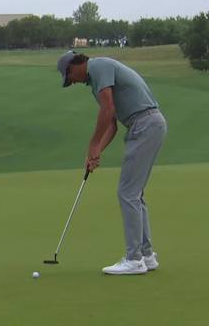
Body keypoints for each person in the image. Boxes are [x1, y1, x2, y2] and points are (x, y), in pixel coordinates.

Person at [57, 50, 167, 275]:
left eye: (70, 77)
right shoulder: (96, 80)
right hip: (146, 125)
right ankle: (146, 255)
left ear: (74, 65)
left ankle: (134, 259)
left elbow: (108, 109)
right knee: (134, 193)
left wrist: (93, 143)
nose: (73, 82)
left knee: (127, 193)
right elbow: (112, 125)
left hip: (145, 124)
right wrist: (96, 153)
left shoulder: (98, 66)